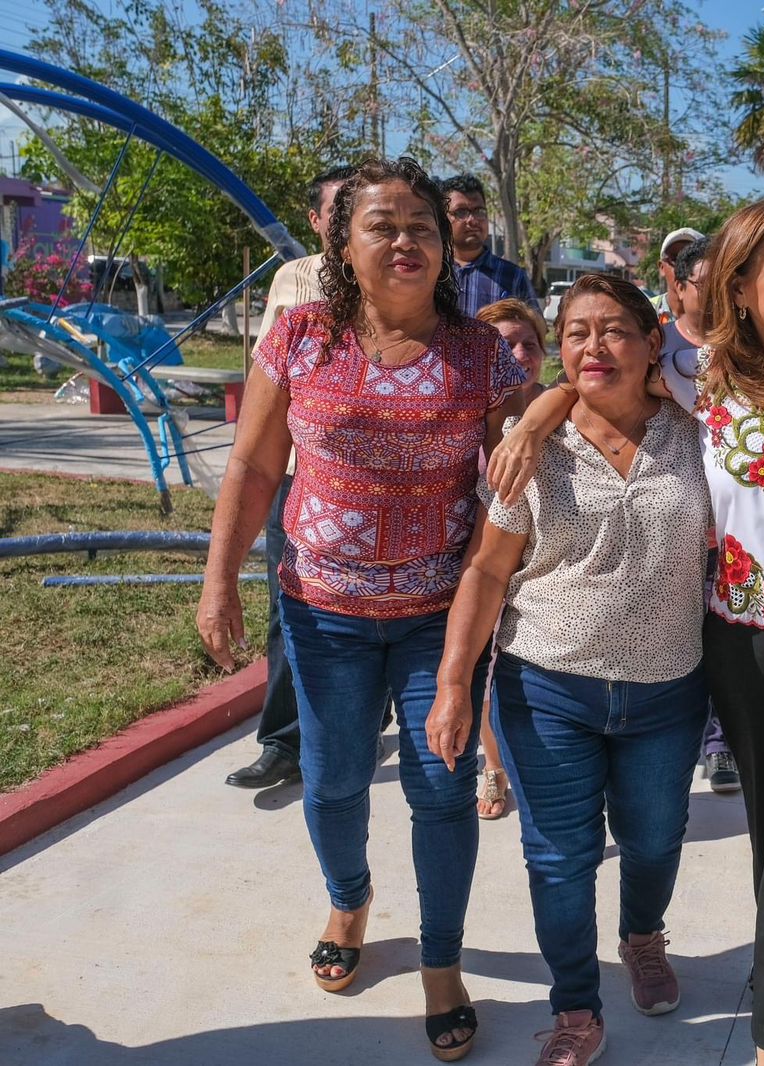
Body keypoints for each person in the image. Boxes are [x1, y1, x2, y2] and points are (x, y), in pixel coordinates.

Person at [489, 199, 764, 1066]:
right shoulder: (703, 376)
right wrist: (542, 413)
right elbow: (598, 375)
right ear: (739, 285)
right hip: (740, 640)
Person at [197, 157, 526, 1061]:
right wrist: (219, 578)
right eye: (381, 224)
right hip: (322, 610)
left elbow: (521, 472)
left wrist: (536, 413)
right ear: (342, 243)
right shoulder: (301, 336)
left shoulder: (481, 352)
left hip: (439, 616)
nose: (406, 239)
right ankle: (349, 901)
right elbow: (257, 467)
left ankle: (441, 962)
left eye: (421, 223)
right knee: (335, 779)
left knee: (442, 787)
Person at [429, 275, 710, 1066]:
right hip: (547, 685)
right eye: (578, 332)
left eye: (615, 330)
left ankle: (643, 938)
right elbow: (487, 571)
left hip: (668, 688)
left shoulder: (698, 432)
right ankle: (576, 1007)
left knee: (655, 840)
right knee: (559, 858)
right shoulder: (532, 448)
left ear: (654, 343)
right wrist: (455, 682)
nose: (596, 346)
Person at [224, 163, 357, 790]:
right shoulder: (291, 280)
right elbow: (266, 381)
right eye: (339, 209)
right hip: (300, 476)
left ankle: (353, 721)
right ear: (315, 220)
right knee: (288, 604)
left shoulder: (399, 280)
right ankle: (282, 740)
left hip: (375, 480)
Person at [663, 234, 742, 794]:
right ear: (680, 286)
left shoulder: (755, 350)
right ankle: (679, 740)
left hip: (735, 531)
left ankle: (721, 745)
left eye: (728, 284)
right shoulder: (652, 344)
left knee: (725, 647)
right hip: (667, 524)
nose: (716, 296)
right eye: (705, 283)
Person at [471, 298, 548, 820]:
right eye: (504, 344)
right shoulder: (464, 408)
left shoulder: (563, 404)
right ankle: (494, 767)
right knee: (482, 662)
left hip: (544, 562)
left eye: (529, 343)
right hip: (483, 551)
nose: (519, 353)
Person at [440, 174, 538, 317]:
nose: (472, 220)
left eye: (479, 211)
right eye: (461, 212)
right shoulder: (433, 271)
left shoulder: (514, 277)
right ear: (443, 219)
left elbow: (535, 330)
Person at [651, 227, 705, 323]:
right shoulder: (646, 313)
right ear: (662, 267)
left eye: (691, 258)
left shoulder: (719, 317)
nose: (682, 265)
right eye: (675, 259)